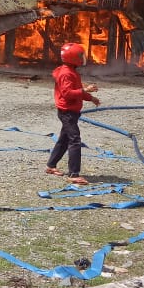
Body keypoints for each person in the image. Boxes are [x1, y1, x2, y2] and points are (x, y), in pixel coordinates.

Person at [45, 42, 101, 185]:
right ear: (72, 58)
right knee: (75, 140)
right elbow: (68, 93)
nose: (82, 57)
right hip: (67, 112)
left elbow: (76, 91)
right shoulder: (66, 73)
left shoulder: (70, 71)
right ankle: (74, 174)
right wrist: (86, 91)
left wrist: (90, 98)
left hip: (71, 112)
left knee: (64, 139)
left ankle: (51, 166)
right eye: (80, 55)